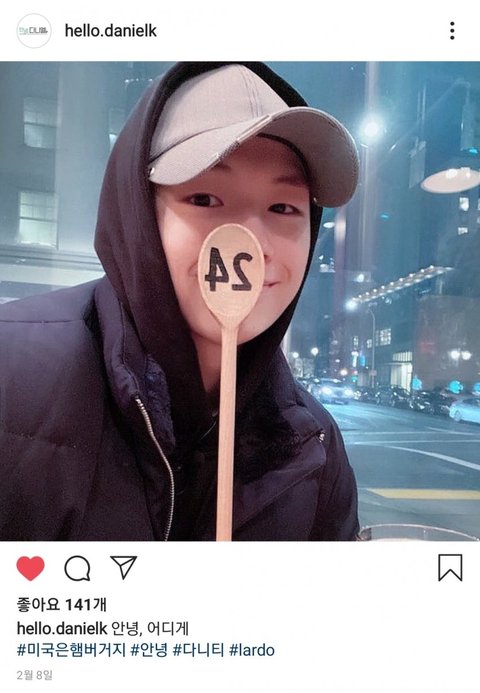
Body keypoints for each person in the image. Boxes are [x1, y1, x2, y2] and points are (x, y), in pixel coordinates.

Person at [0, 62, 360, 541]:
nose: (252, 244)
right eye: (204, 199)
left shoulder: (315, 445)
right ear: (137, 212)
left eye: (282, 207)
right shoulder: (11, 371)